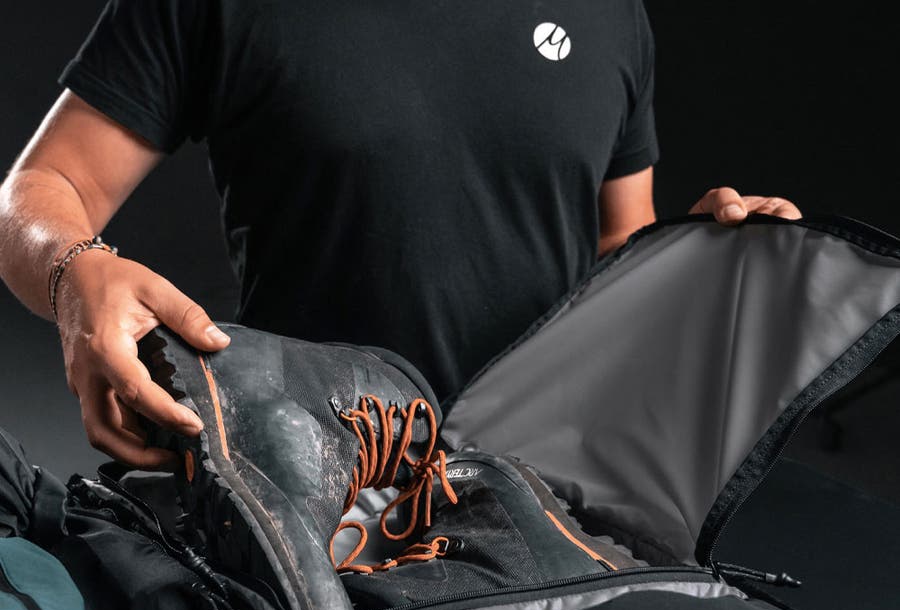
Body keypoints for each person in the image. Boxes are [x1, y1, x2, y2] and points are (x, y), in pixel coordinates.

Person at [0, 1, 800, 470]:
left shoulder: (610, 12)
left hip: (549, 487)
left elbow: (619, 243)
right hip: (316, 479)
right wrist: (72, 274)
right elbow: (38, 192)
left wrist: (699, 266)